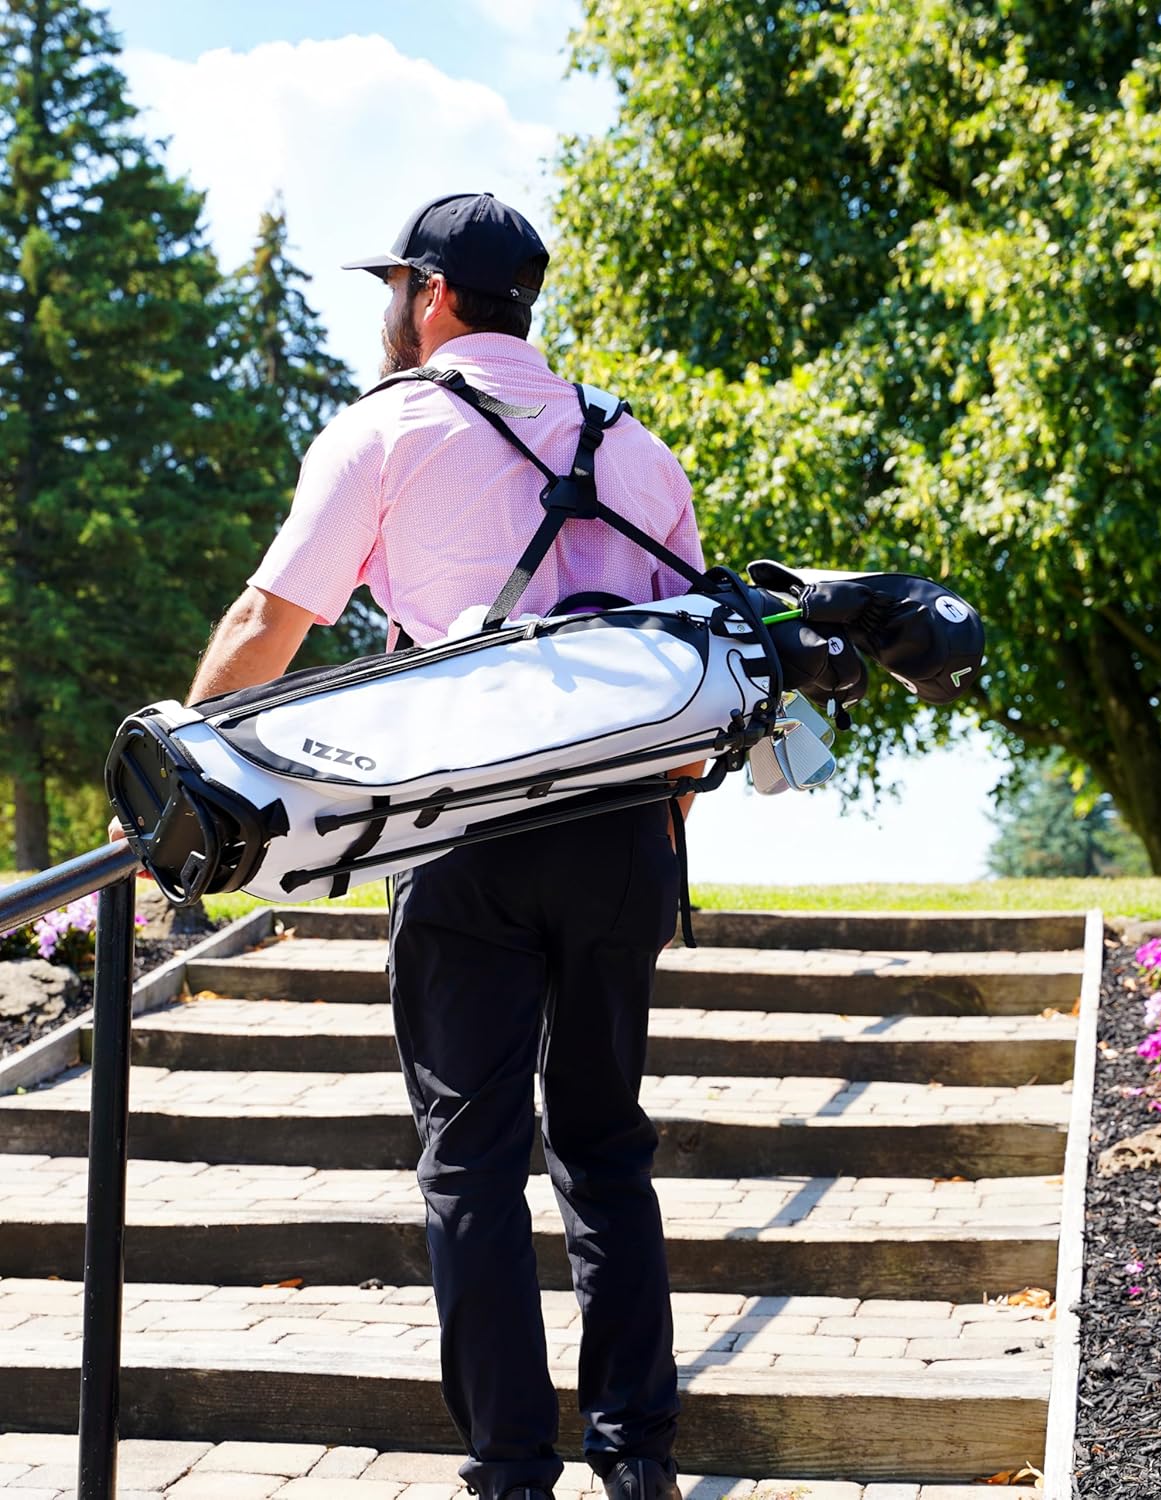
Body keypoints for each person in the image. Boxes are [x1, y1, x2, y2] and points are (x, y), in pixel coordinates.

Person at [115, 193, 698, 1500]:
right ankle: (637, 1459)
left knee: (473, 1160)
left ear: (431, 297)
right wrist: (658, 842)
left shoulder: (388, 429)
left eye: (397, 288)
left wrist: (172, 786)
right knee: (607, 1148)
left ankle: (510, 1471)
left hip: (467, 825)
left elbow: (270, 621)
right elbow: (689, 682)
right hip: (622, 833)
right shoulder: (636, 446)